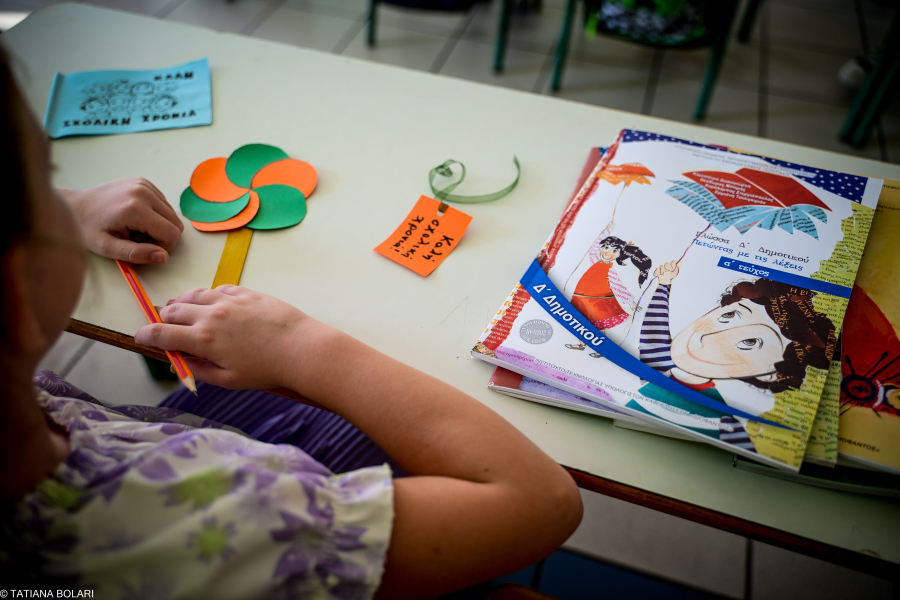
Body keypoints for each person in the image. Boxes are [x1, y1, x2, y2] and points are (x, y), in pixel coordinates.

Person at [0, 46, 582, 599]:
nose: (60, 194)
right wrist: (303, 346)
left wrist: (67, 209)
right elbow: (544, 500)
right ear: (16, 297)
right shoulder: (254, 521)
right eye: (42, 184)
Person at [634, 260, 836, 451]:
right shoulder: (661, 364)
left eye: (751, 342)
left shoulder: (728, 429)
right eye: (729, 315)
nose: (711, 337)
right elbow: (653, 335)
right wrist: (664, 283)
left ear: (770, 374)